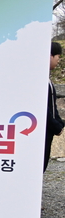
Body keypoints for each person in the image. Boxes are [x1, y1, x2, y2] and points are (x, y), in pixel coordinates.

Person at [45, 41, 64, 172]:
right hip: (43, 129)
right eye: (58, 57)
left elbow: (52, 104)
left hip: (49, 129)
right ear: (50, 56)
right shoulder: (38, 80)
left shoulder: (47, 79)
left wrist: (59, 123)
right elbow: (43, 109)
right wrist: (55, 125)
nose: (58, 60)